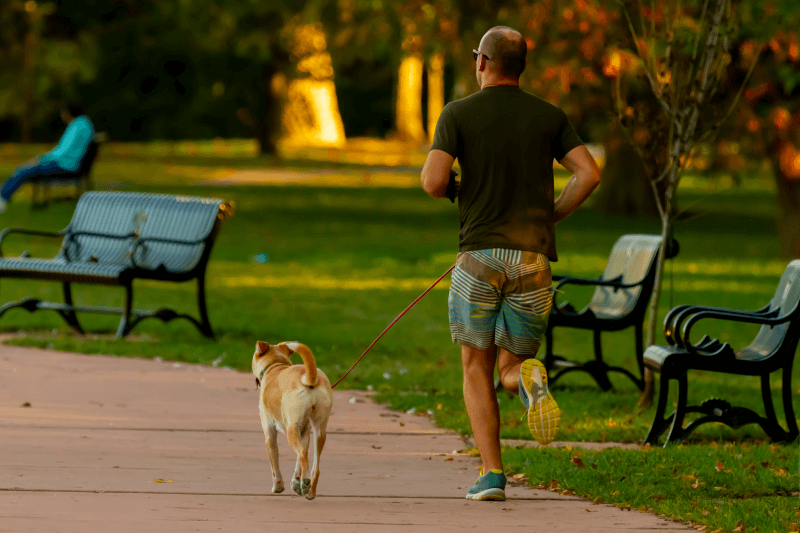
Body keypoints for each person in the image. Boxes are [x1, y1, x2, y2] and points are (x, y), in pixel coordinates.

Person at [420, 26, 601, 502]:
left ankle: (492, 474)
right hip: (533, 259)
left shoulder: (457, 113)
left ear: (482, 62)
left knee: (474, 365)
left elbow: (433, 182)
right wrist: (553, 213)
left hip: (478, 258)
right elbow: (589, 172)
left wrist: (461, 187)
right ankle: (527, 381)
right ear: (520, 66)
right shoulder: (548, 115)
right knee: (510, 365)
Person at [0, 100, 95, 213]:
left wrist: (41, 160)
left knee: (24, 170)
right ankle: (3, 195)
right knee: (24, 169)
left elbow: (63, 152)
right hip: (67, 164)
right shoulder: (84, 123)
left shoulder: (77, 126)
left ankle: (2, 199)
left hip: (66, 166)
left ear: (68, 112)